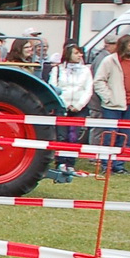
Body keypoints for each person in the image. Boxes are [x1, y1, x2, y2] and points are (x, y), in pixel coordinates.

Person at [90, 33, 130, 175]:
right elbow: (99, 81)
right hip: (112, 106)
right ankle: (106, 165)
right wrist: (108, 98)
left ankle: (119, 165)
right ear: (123, 46)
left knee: (125, 136)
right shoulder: (110, 61)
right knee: (110, 135)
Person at [48, 43, 92, 181]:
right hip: (62, 107)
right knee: (62, 136)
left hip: (78, 108)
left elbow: (88, 89)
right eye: (76, 53)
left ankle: (71, 163)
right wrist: (64, 104)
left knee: (74, 136)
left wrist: (78, 105)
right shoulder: (58, 70)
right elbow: (53, 87)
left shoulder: (86, 70)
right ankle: (60, 162)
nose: (80, 55)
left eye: (80, 53)